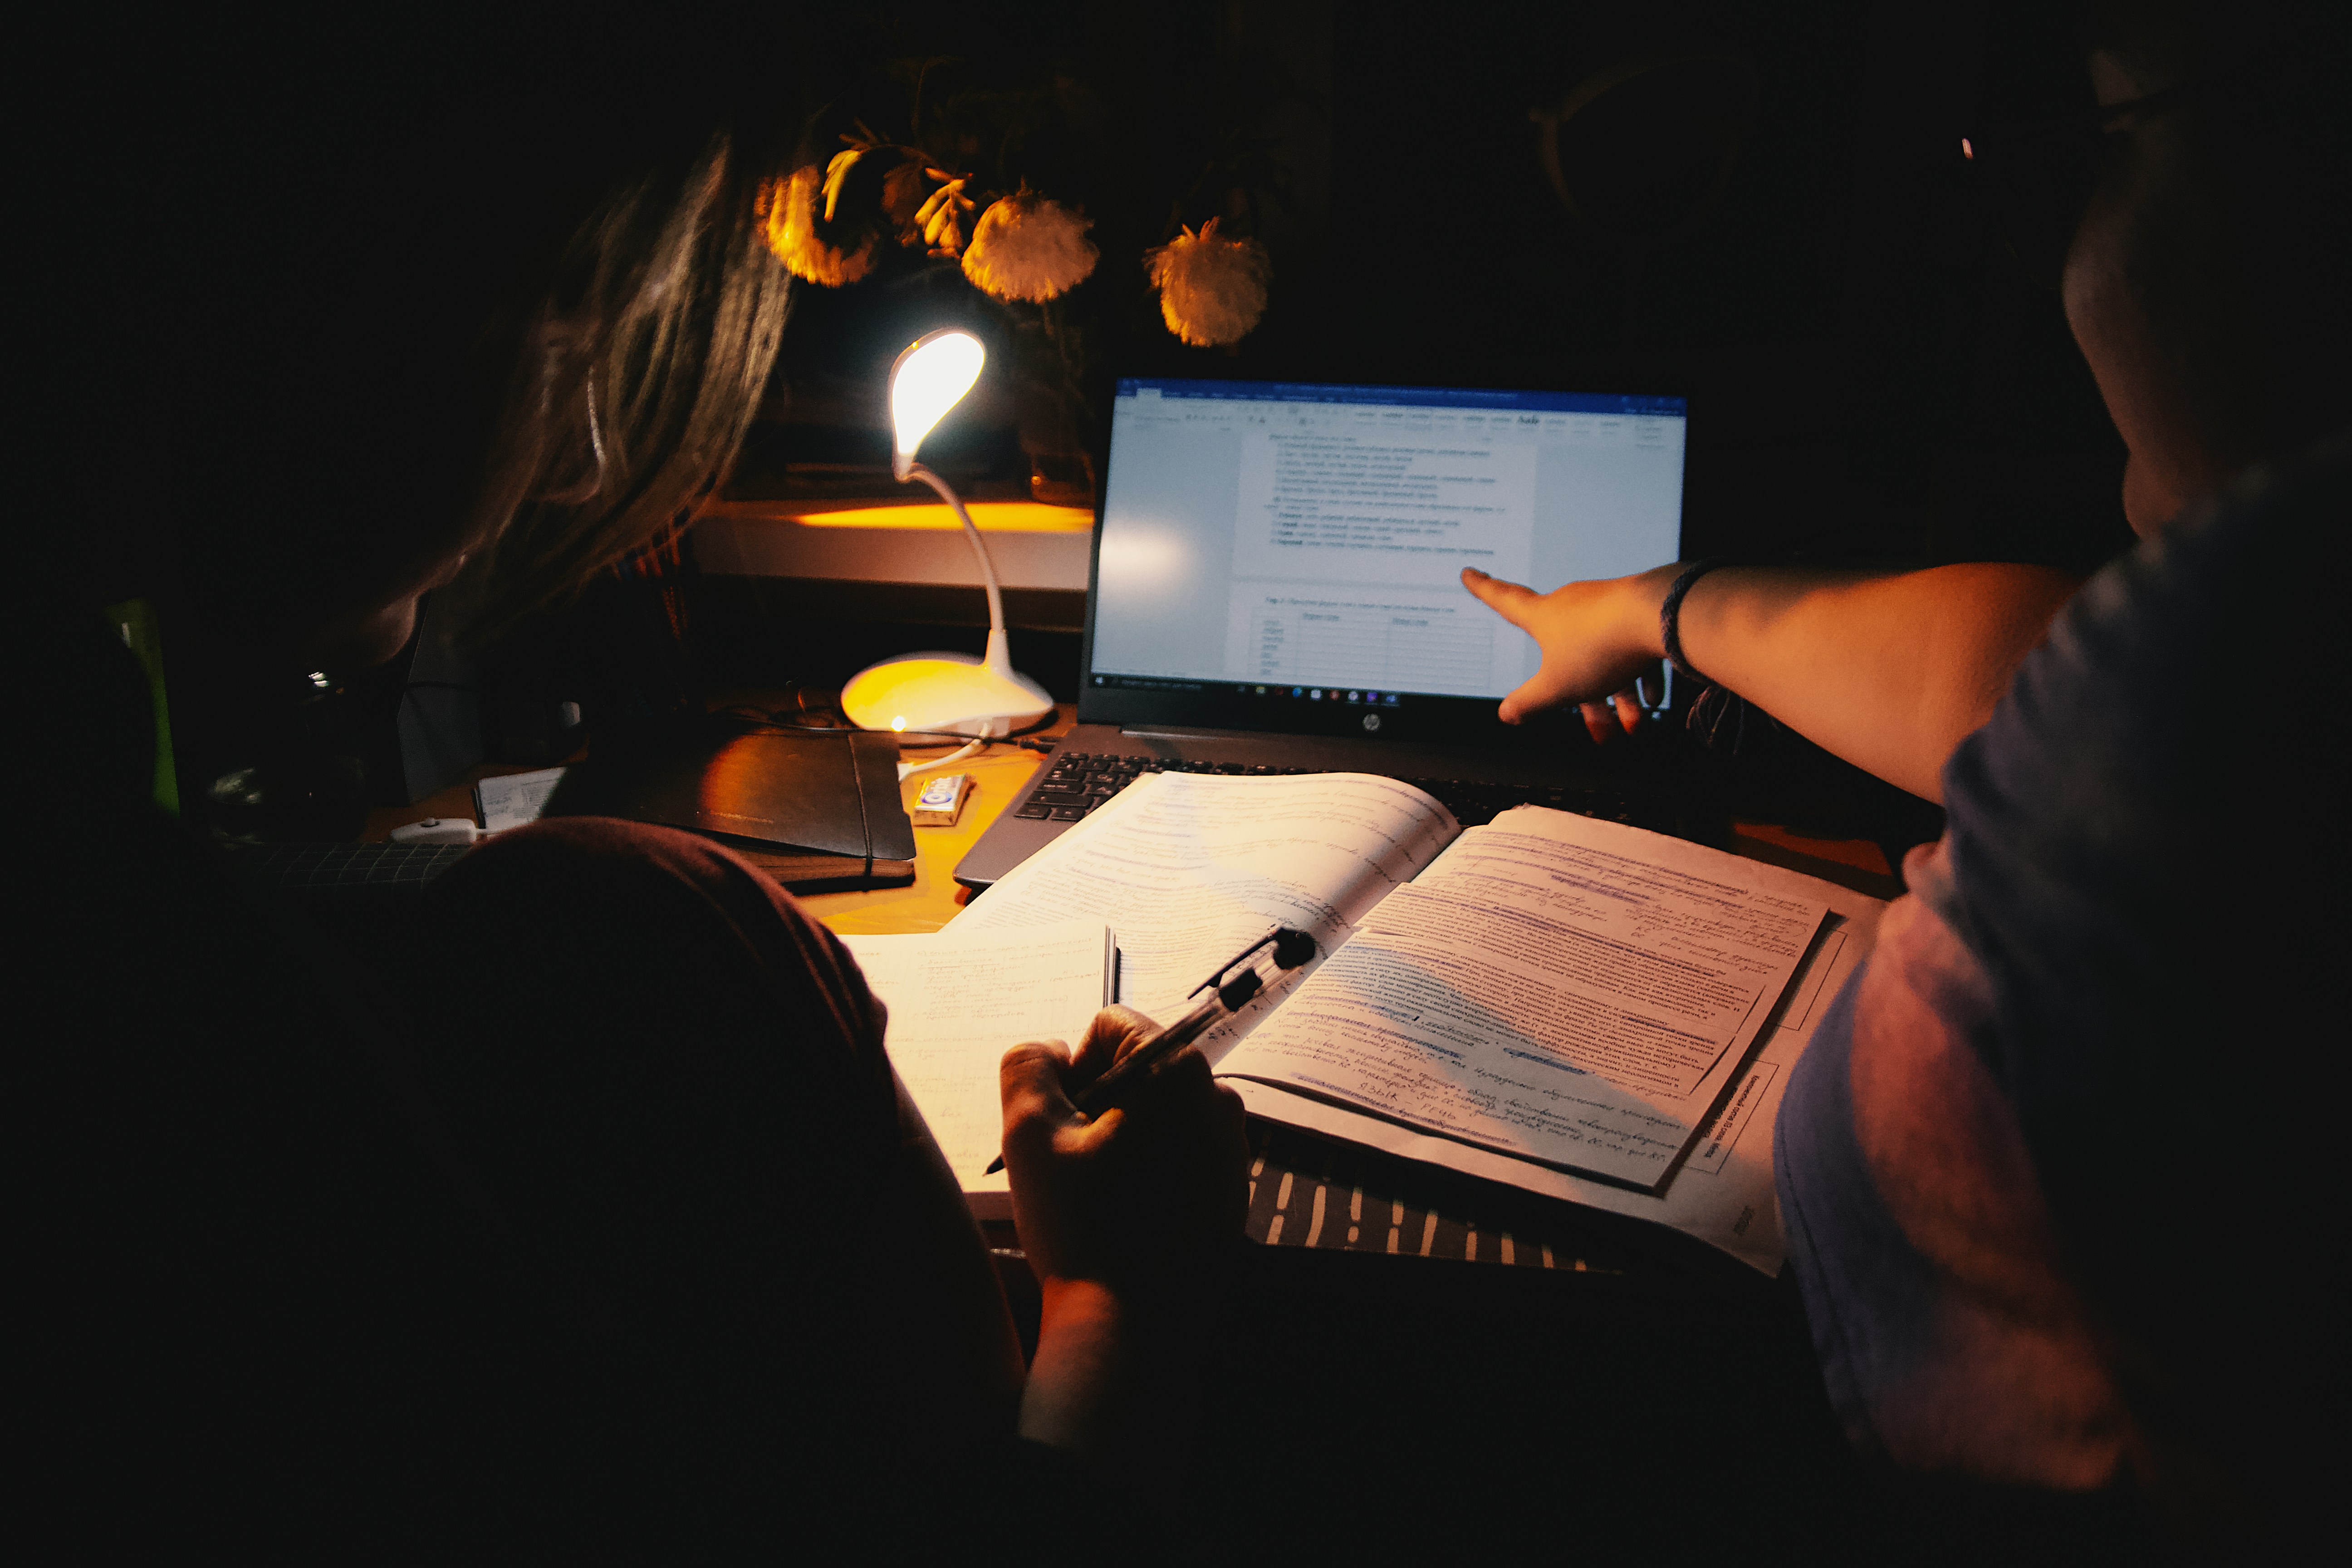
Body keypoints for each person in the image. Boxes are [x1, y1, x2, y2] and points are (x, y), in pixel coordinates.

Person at [24, 23, 1246, 1555]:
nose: (589, 464)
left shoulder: (107, 854)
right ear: (340, 305)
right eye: (573, 335)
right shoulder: (649, 952)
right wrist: (1124, 1293)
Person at [1458, 0, 2345, 1541]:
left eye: (2098, 139)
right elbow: (2015, 673)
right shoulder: (2241, 644)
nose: (2047, 231)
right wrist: (1657, 607)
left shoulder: (2241, 663)